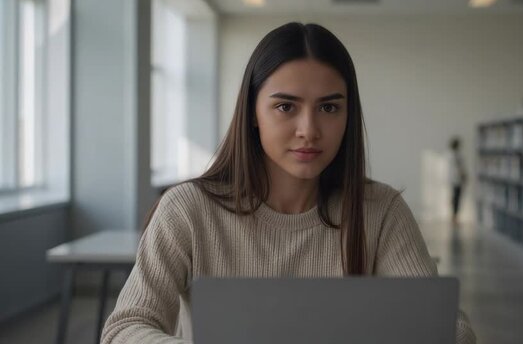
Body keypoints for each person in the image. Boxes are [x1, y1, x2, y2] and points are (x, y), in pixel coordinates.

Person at [101, 22, 476, 344]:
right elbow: (125, 329)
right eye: (286, 107)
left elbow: (451, 331)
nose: (309, 131)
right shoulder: (188, 209)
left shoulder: (379, 210)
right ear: (252, 112)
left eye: (329, 108)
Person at [448, 137, 467, 226]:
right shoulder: (457, 155)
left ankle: (454, 217)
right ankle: (455, 218)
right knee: (457, 199)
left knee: (454, 198)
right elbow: (460, 168)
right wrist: (464, 177)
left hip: (452, 180)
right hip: (457, 180)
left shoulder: (450, 154)